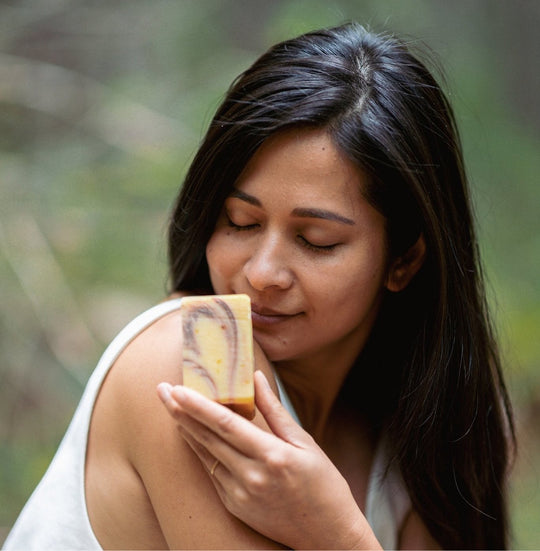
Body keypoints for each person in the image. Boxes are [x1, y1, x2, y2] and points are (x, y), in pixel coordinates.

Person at [3, 22, 515, 550]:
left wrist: (332, 526)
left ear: (404, 260)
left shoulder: (426, 430)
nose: (262, 272)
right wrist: (337, 535)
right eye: (239, 223)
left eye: (316, 240)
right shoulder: (193, 355)